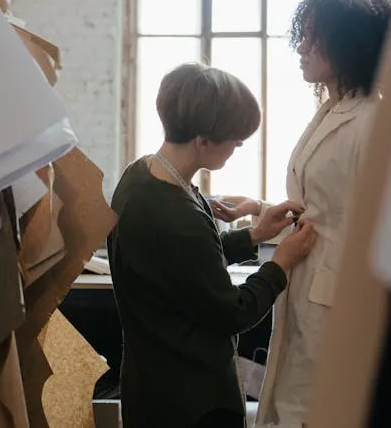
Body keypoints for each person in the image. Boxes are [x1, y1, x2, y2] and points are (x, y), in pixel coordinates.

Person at [108, 62, 318, 428]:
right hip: (192, 402)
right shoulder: (176, 216)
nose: (238, 145)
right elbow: (232, 313)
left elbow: (185, 266)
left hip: (151, 387)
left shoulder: (140, 176)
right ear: (203, 140)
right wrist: (279, 264)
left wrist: (252, 236)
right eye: (234, 138)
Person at [253, 0, 391, 428]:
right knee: (296, 405)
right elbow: (326, 202)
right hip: (308, 282)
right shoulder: (333, 110)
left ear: (350, 42)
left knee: (323, 408)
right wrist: (263, 208)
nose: (301, 48)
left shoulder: (372, 122)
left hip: (339, 294)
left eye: (314, 38)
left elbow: (374, 217)